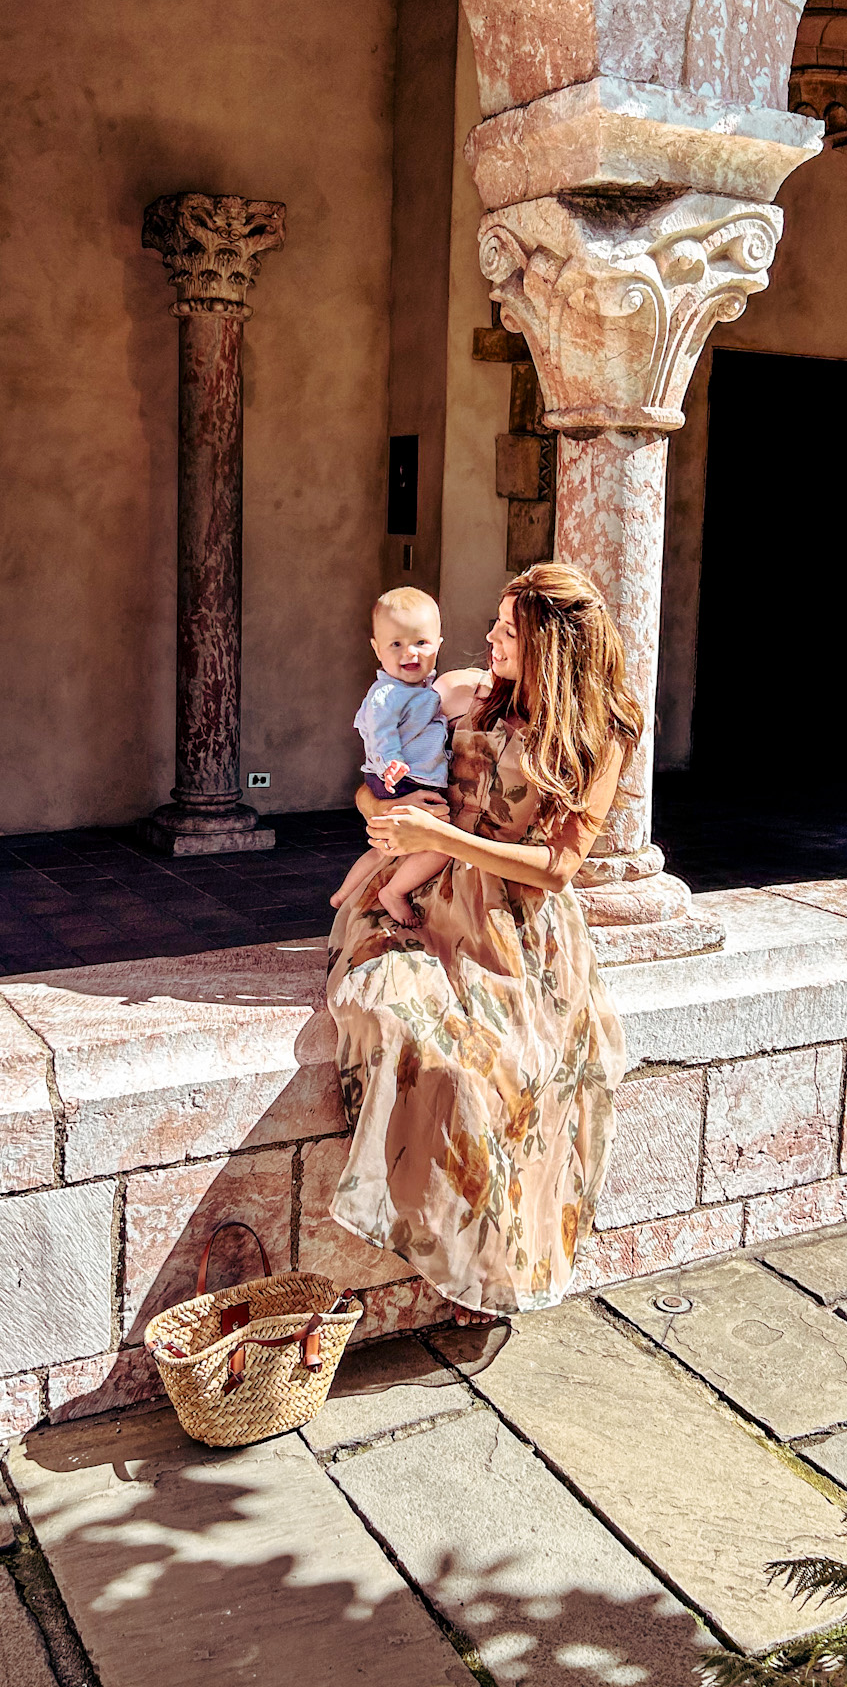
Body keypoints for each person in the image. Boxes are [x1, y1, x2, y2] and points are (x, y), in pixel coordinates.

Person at [325, 561, 640, 1316]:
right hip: (427, 900)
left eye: (508, 629)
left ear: (550, 645)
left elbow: (560, 867)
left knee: (512, 1073)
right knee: (416, 1038)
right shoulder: (466, 691)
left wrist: (445, 836)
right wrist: (383, 808)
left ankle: (500, 1264)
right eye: (497, 624)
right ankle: (446, 1246)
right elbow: (373, 776)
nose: (491, 637)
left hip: (518, 931)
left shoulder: (603, 733)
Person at [330, 587, 455, 926]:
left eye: (421, 643)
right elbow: (380, 732)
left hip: (403, 776)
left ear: (438, 645)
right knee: (441, 843)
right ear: (377, 649)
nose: (409, 653)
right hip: (399, 777)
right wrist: (391, 762)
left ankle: (343, 894)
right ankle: (395, 892)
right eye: (396, 644)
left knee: (383, 848)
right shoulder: (386, 693)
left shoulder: (420, 690)